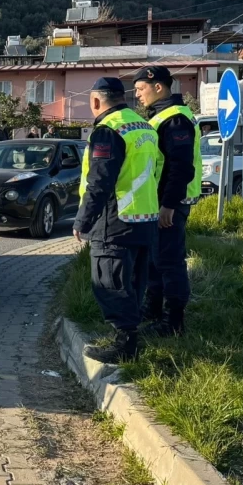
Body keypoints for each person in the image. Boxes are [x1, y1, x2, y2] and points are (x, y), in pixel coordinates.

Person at [72, 77, 162, 363]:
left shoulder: (108, 130)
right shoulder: (143, 126)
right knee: (134, 282)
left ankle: (125, 344)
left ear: (96, 101)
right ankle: (130, 338)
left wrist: (82, 221)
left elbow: (99, 181)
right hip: (144, 217)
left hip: (115, 218)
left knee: (109, 282)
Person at [133, 65, 199, 337]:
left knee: (169, 262)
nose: (137, 95)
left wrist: (168, 205)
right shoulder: (161, 116)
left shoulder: (175, 119)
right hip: (159, 203)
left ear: (157, 87)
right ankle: (154, 310)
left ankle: (173, 323)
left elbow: (180, 167)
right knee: (156, 261)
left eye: (140, 89)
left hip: (169, 205)